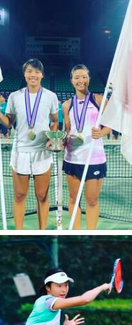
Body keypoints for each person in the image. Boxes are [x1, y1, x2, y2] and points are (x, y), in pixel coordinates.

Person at [0, 58, 59, 230]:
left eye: (36, 71)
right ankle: (18, 231)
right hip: (20, 150)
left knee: (42, 196)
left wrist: (52, 137)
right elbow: (8, 123)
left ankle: (42, 231)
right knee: (20, 195)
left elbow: (55, 122)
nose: (33, 75)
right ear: (25, 74)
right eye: (29, 71)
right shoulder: (15, 96)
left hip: (42, 151)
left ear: (42, 75)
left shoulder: (51, 96)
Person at [62, 64, 112, 230]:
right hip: (72, 157)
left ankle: (91, 232)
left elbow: (111, 124)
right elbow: (67, 130)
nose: (80, 80)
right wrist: (60, 141)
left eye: (84, 76)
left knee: (92, 200)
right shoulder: (66, 105)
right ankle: (74, 232)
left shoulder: (100, 100)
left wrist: (102, 132)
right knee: (73, 199)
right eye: (77, 77)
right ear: (71, 81)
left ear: (89, 79)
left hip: (94, 158)